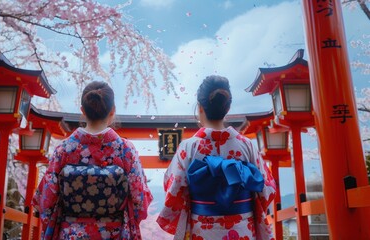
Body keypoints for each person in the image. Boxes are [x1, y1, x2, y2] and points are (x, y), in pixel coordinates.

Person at [157, 75, 276, 240]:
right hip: (242, 228)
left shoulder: (188, 147)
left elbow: (174, 191)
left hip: (203, 230)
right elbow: (266, 189)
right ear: (227, 108)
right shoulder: (246, 145)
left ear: (200, 107)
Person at [32, 81, 153, 240]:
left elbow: (45, 201)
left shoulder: (64, 150)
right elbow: (140, 202)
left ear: (82, 111)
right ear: (113, 111)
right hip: (114, 233)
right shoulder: (125, 150)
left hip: (71, 234)